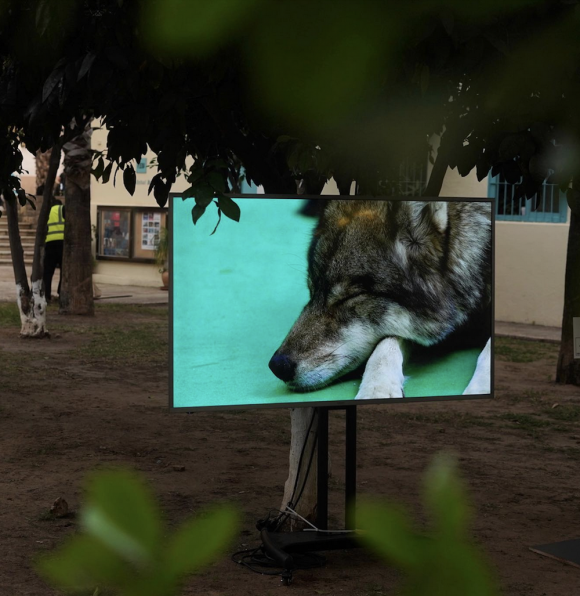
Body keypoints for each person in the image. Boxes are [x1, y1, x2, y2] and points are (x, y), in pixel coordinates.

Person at [43, 198, 65, 302]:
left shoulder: (46, 211)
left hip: (50, 243)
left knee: (48, 272)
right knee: (64, 270)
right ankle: (61, 293)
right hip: (63, 243)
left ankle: (46, 295)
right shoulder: (63, 209)